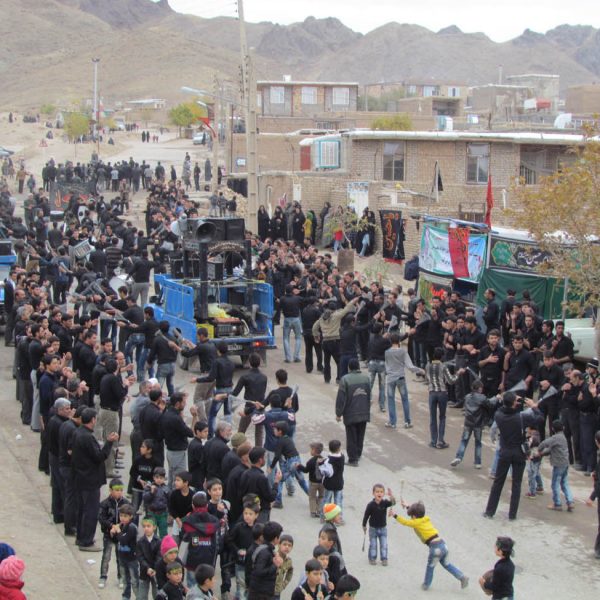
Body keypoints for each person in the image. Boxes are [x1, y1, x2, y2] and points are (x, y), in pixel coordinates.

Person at [484, 393, 543, 520]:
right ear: (514, 404)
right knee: (516, 484)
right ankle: (512, 514)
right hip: (518, 453)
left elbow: (502, 408)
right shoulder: (521, 417)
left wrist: (507, 398)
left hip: (504, 452)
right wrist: (534, 407)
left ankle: (490, 511)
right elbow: (540, 418)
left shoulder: (499, 415)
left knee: (498, 483)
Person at [390, 500, 469, 591]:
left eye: (411, 516)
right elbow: (416, 515)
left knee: (430, 566)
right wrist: (408, 506)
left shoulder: (416, 522)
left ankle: (426, 585)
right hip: (443, 544)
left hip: (435, 548)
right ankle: (462, 577)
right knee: (447, 564)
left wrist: (394, 515)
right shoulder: (425, 518)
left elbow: (406, 522)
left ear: (414, 516)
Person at [72, 408, 119, 551]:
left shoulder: (78, 432)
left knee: (82, 510)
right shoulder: (86, 437)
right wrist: (109, 443)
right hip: (89, 479)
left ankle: (81, 537)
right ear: (93, 420)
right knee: (90, 511)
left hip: (81, 477)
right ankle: (86, 541)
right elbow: (99, 456)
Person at [180, 491, 220, 589]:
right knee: (207, 588)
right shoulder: (214, 521)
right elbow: (218, 542)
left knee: (192, 588)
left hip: (192, 562)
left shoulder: (187, 521)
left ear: (193, 506)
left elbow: (183, 538)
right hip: (209, 561)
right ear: (207, 505)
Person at [384, 332, 425, 429]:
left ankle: (392, 422)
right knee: (405, 400)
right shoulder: (403, 352)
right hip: (400, 378)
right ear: (399, 341)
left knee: (390, 400)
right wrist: (420, 370)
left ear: (390, 341)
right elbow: (410, 366)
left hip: (390, 378)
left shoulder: (387, 352)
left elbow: (386, 366)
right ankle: (407, 422)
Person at [335, 358, 371, 466]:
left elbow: (341, 399)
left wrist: (338, 413)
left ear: (349, 368)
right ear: (358, 367)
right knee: (360, 434)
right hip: (364, 412)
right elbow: (369, 395)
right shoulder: (366, 378)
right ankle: (358, 454)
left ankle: (353, 459)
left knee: (351, 437)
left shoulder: (345, 379)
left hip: (350, 413)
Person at [425, 347, 462, 449]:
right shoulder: (443, 366)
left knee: (433, 418)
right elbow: (451, 381)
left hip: (432, 393)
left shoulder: (428, 366)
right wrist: (458, 373)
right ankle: (440, 441)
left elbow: (427, 379)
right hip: (442, 393)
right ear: (442, 357)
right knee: (442, 417)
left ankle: (433, 441)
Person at [98, 478, 131, 588]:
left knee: (120, 557)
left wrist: (119, 527)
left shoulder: (126, 504)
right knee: (106, 556)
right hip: (108, 534)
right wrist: (111, 526)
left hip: (121, 535)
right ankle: (103, 576)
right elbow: (101, 518)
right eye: (117, 490)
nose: (119, 492)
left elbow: (130, 518)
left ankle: (121, 577)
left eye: (121, 490)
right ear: (111, 490)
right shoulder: (105, 504)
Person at [161, 392, 198, 488]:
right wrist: (194, 416)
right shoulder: (175, 419)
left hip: (170, 451)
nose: (185, 404)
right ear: (178, 404)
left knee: (172, 479)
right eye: (184, 402)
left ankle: (170, 494)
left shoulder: (167, 413)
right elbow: (192, 433)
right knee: (179, 481)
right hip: (177, 453)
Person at [268, 421, 309, 508]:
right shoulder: (288, 439)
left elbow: (277, 456)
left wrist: (271, 467)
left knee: (279, 480)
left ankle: (278, 501)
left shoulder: (280, 441)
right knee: (301, 480)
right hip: (297, 460)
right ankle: (314, 498)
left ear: (280, 431)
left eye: (275, 429)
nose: (273, 430)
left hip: (290, 462)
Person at [537, 420, 574, 511]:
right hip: (565, 463)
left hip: (558, 464)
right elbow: (551, 449)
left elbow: (544, 444)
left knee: (555, 484)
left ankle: (557, 504)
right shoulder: (563, 437)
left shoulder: (555, 438)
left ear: (553, 429)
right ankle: (570, 502)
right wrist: (542, 453)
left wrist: (539, 450)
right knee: (564, 483)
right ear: (563, 428)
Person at [247, 521, 283, 600]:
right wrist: (275, 565)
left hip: (261, 591)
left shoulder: (266, 548)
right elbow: (259, 571)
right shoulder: (265, 552)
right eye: (279, 536)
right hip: (260, 593)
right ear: (275, 538)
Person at [362, 484, 395, 566]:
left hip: (383, 528)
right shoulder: (370, 505)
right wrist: (364, 525)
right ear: (373, 493)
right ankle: (372, 558)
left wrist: (391, 496)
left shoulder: (385, 503)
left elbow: (393, 503)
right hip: (373, 529)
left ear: (383, 493)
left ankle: (384, 558)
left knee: (384, 544)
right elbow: (366, 515)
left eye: (381, 492)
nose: (379, 493)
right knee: (373, 545)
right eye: (377, 492)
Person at [116, 504, 140, 600]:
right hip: (122, 557)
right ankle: (126, 596)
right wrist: (113, 531)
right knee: (125, 579)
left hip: (131, 558)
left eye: (125, 516)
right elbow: (117, 539)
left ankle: (139, 597)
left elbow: (123, 540)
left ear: (131, 516)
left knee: (134, 580)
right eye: (121, 515)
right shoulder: (121, 525)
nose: (122, 518)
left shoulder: (132, 527)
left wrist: (118, 531)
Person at [296, 442, 326, 518]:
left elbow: (306, 470)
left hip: (313, 483)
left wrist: (299, 466)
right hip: (322, 482)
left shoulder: (310, 461)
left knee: (312, 497)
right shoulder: (324, 460)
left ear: (314, 450)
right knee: (321, 496)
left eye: (311, 450)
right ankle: (319, 511)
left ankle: (313, 512)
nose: (310, 451)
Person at [137, 517, 161, 600]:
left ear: (154, 527)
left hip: (156, 571)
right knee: (142, 596)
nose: (146, 528)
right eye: (144, 526)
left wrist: (154, 569)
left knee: (157, 594)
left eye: (148, 526)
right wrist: (147, 568)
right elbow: (140, 557)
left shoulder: (159, 541)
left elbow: (159, 557)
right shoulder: (140, 542)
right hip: (144, 571)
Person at [143, 466, 170, 539]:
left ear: (164, 479)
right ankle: (152, 544)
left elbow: (170, 501)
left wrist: (170, 513)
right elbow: (145, 498)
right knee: (152, 532)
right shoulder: (149, 487)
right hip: (152, 513)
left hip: (163, 513)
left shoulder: (166, 488)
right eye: (157, 477)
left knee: (163, 532)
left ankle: (163, 544)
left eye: (161, 478)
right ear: (153, 477)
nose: (159, 480)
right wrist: (151, 493)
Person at [188, 421, 209, 490]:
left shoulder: (193, 442)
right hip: (198, 477)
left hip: (193, 475)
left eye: (207, 431)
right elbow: (202, 462)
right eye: (205, 431)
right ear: (198, 432)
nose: (207, 433)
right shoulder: (199, 446)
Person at [274, 533, 294, 599]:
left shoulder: (288, 561)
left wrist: (284, 584)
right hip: (267, 591)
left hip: (277, 592)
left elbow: (290, 571)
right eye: (284, 544)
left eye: (289, 545)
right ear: (279, 545)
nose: (287, 547)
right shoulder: (273, 556)